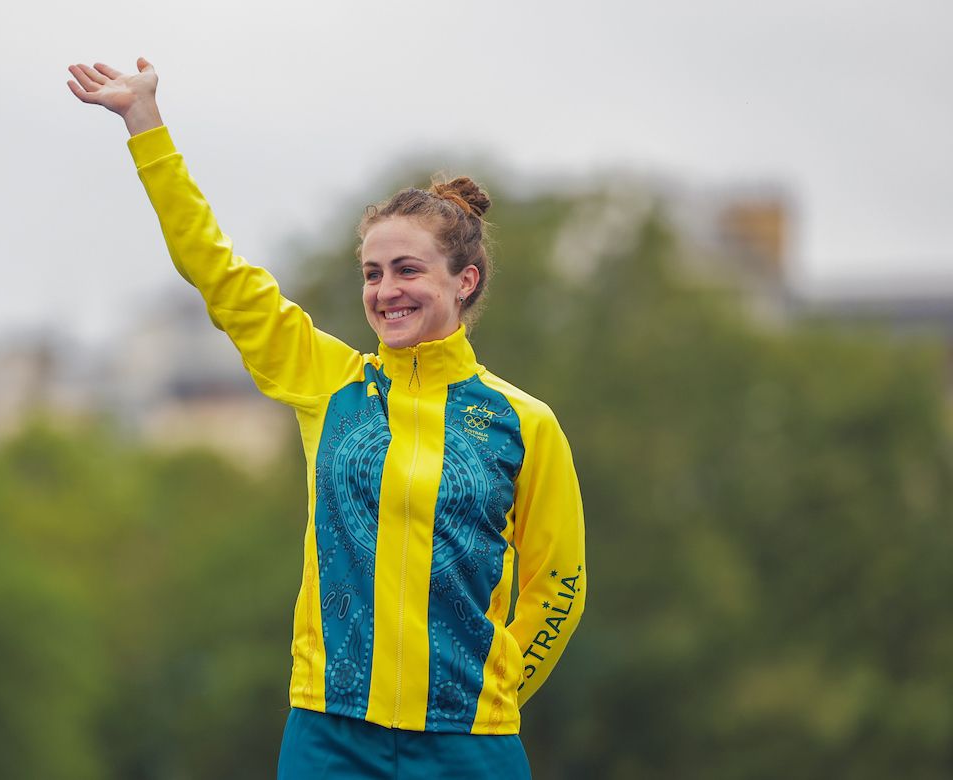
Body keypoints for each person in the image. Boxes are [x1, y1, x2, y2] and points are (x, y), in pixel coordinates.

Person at [68, 58, 586, 780]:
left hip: (471, 745)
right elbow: (216, 272)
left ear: (463, 281)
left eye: (408, 270)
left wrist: (492, 691)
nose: (386, 291)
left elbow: (559, 586)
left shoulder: (525, 424)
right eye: (373, 274)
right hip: (330, 738)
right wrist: (145, 126)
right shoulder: (330, 382)